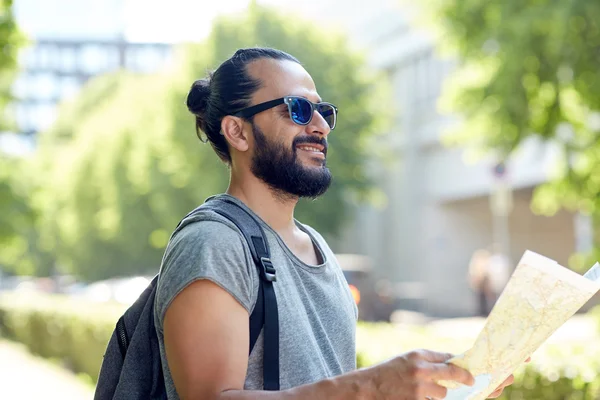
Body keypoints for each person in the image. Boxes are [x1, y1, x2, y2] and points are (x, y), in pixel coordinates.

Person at [154, 47, 516, 400]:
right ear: (238, 132)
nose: (322, 126)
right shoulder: (213, 243)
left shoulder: (317, 246)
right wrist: (371, 387)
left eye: (323, 111)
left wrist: (433, 385)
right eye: (298, 109)